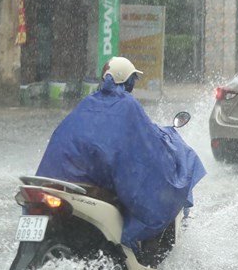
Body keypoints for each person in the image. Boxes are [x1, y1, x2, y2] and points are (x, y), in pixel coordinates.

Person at [35, 56, 206, 255]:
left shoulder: (88, 103)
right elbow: (147, 147)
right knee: (154, 198)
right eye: (133, 78)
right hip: (93, 185)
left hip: (63, 181)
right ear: (128, 80)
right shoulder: (127, 105)